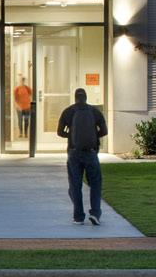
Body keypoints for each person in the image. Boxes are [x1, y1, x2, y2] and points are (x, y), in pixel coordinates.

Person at [56, 86, 107, 226]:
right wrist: (94, 135)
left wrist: (71, 135)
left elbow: (59, 132)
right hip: (91, 153)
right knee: (95, 184)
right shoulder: (95, 112)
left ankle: (78, 217)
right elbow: (104, 131)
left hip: (74, 153)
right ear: (86, 98)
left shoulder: (68, 111)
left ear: (75, 98)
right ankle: (95, 213)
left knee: (75, 185)